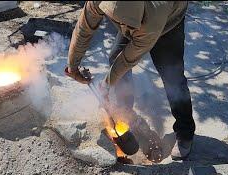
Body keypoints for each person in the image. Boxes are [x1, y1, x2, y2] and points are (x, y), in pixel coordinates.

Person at [65, 1, 196, 160]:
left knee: (172, 77)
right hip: (137, 15)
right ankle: (125, 116)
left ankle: (185, 132)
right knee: (115, 59)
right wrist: (72, 65)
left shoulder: (151, 21)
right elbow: (84, 28)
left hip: (168, 18)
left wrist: (106, 84)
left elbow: (127, 59)